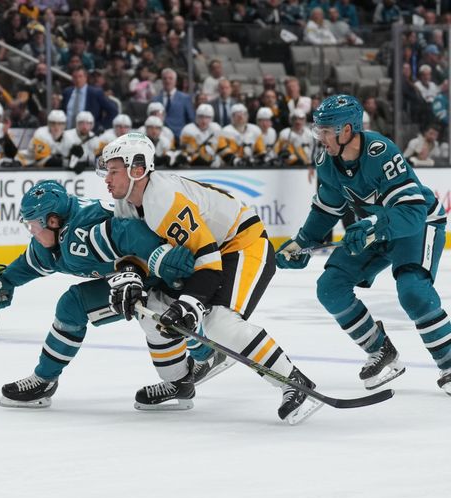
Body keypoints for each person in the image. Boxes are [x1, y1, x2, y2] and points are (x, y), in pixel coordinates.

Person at [100, 132, 322, 424]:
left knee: (219, 322)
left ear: (137, 169)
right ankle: (179, 383)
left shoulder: (163, 200)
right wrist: (130, 278)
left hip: (242, 243)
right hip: (207, 253)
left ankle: (293, 382)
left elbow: (208, 259)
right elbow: (137, 252)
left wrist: (190, 305)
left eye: (113, 171)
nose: (106, 179)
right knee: (151, 308)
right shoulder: (126, 203)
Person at [276, 94, 451, 396]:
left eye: (326, 131)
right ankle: (381, 351)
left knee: (412, 290)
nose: (321, 138)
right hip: (375, 228)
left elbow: (411, 212)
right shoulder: (327, 163)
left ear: (347, 130)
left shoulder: (381, 152)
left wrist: (372, 226)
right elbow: (326, 209)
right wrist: (302, 243)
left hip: (416, 224)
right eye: (319, 131)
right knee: (330, 286)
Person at [0, 180, 197, 409]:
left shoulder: (84, 229)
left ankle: (198, 362)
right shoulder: (55, 235)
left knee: (164, 318)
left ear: (52, 221)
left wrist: (168, 267)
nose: (31, 231)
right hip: (134, 274)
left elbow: (132, 234)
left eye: (33, 224)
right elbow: (32, 263)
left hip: (157, 271)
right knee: (72, 306)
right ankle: (190, 370)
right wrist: (5, 280)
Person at [216, 103, 262, 167]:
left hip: (250, 166)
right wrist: (236, 161)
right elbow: (223, 152)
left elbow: (261, 150)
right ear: (232, 117)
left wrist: (261, 159)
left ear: (247, 116)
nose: (241, 117)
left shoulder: (255, 130)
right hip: (229, 167)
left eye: (243, 114)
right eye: (237, 115)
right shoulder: (225, 132)